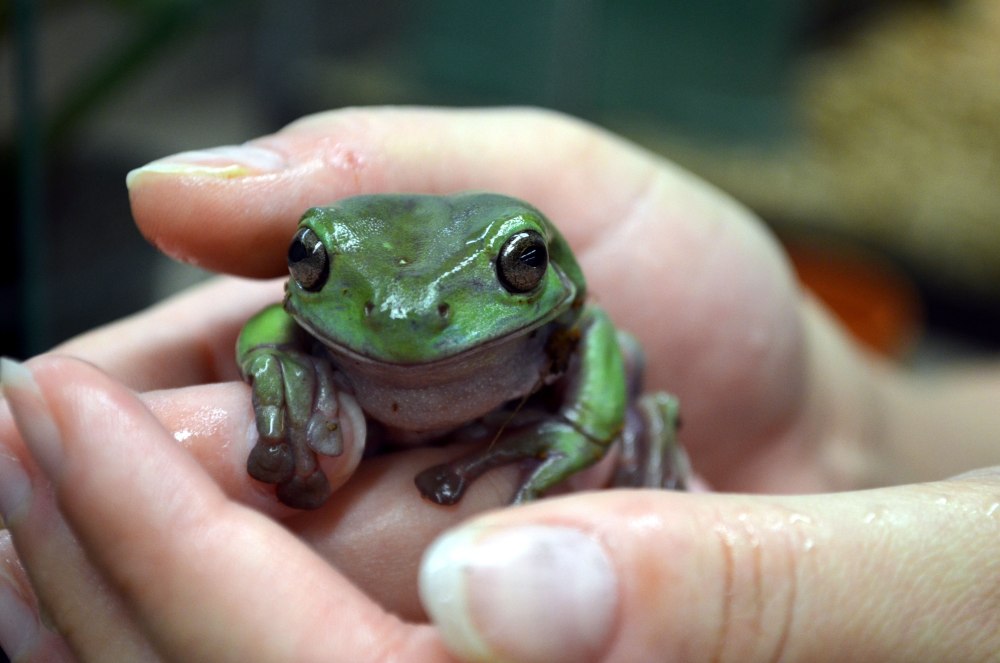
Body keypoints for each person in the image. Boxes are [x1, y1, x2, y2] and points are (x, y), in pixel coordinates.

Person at [0, 107, 997, 662]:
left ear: (544, 274)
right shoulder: (308, 310)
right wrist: (275, 362)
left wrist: (586, 429)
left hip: (525, 417)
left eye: (515, 264)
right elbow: (266, 317)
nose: (410, 317)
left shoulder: (564, 325)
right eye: (312, 260)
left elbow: (596, 334)